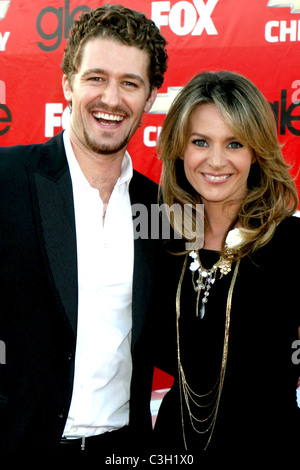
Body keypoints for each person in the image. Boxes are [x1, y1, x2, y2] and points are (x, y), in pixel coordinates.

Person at [0, 4, 167, 453]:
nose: (111, 99)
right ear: (68, 83)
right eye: (96, 77)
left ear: (150, 98)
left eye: (130, 83)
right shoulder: (7, 179)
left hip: (123, 452)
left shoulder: (162, 208)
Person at [152, 71, 300, 456]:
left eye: (234, 143)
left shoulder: (292, 245)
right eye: (200, 141)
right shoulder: (159, 241)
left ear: (256, 152)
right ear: (179, 149)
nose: (216, 161)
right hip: (173, 444)